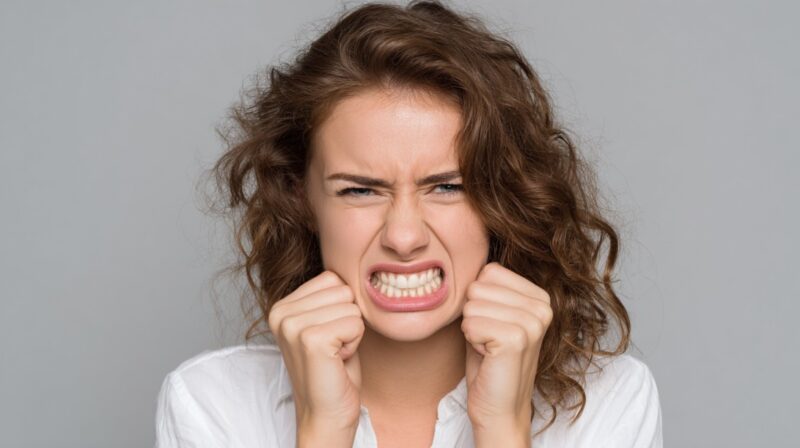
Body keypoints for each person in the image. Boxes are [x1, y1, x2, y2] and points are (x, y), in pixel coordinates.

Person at [154, 1, 663, 447]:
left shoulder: (610, 402)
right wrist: (324, 429)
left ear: (504, 196)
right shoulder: (211, 404)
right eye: (359, 190)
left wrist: (503, 428)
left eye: (447, 187)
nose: (403, 237)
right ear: (301, 197)